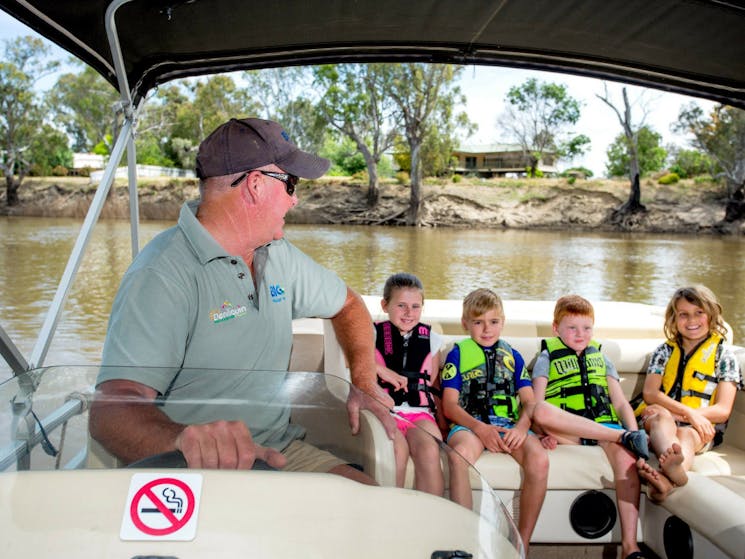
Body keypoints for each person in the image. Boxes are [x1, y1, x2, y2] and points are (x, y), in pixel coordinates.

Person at [89, 117, 393, 483]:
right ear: (255, 185)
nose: (295, 199)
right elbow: (111, 409)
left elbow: (348, 305)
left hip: (282, 451)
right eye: (291, 184)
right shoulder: (162, 273)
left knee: (371, 502)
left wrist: (363, 382)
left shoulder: (278, 253)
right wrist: (184, 442)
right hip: (192, 469)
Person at [530, 294, 650, 559]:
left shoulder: (602, 357)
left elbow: (619, 402)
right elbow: (536, 405)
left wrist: (635, 433)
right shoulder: (546, 357)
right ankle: (621, 436)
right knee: (540, 409)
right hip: (568, 432)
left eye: (586, 328)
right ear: (556, 328)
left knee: (627, 460)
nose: (580, 334)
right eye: (571, 327)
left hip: (604, 429)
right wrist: (541, 434)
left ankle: (630, 546)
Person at [440, 288, 548, 554]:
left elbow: (530, 401)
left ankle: (521, 544)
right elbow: (450, 405)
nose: (486, 329)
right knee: (458, 456)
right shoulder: (458, 355)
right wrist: (480, 428)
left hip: (508, 425)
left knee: (540, 459)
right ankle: (463, 541)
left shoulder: (514, 356)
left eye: (493, 322)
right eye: (478, 322)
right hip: (470, 425)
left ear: (502, 322)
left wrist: (523, 427)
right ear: (466, 324)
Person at [635, 285, 743, 502]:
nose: (691, 320)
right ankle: (674, 465)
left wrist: (690, 419)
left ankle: (671, 476)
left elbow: (722, 410)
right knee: (660, 416)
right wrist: (689, 413)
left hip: (699, 428)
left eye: (698, 313)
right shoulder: (663, 352)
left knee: (687, 434)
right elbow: (650, 393)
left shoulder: (724, 356)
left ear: (711, 315)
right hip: (663, 417)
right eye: (683, 314)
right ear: (674, 320)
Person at [374, 272, 445, 495]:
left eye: (415, 306)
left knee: (429, 450)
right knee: (397, 450)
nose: (408, 313)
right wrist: (379, 369)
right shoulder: (370, 333)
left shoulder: (432, 339)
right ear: (385, 305)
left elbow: (433, 385)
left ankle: (430, 515)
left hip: (420, 414)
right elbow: (354, 364)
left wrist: (444, 425)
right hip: (384, 410)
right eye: (401, 305)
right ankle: (389, 514)